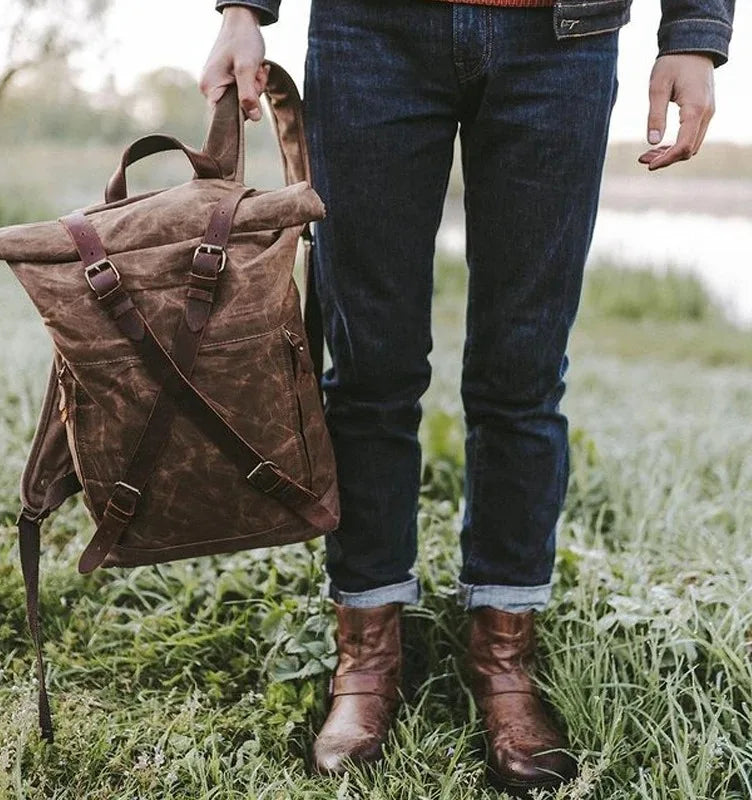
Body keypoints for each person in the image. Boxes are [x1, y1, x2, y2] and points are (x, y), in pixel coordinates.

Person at [199, 0, 734, 793]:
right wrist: (243, 10)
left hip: (564, 41)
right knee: (370, 368)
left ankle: (504, 657)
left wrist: (695, 34)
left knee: (522, 372)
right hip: (370, 31)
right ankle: (368, 654)